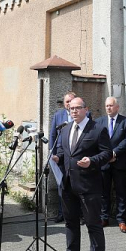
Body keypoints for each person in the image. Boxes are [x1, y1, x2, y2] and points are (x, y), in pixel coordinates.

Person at [51, 97, 112, 251]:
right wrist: (57, 158)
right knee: (70, 223)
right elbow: (65, 153)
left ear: (86, 109)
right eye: (71, 108)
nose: (74, 111)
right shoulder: (66, 129)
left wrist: (92, 161)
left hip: (88, 186)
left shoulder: (98, 129)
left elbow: (107, 154)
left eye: (78, 108)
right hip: (68, 184)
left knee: (93, 226)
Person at [95, 97, 126, 233]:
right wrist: (105, 155)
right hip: (104, 164)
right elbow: (96, 140)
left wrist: (114, 153)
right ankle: (104, 217)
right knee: (104, 192)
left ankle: (121, 220)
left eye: (111, 105)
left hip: (119, 162)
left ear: (117, 107)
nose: (108, 108)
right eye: (106, 106)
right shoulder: (99, 122)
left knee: (121, 192)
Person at [49, 91, 76, 223]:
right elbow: (52, 134)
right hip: (60, 153)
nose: (70, 104)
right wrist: (52, 152)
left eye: (72, 101)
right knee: (62, 184)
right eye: (67, 102)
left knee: (76, 183)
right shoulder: (58, 115)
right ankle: (62, 213)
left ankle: (78, 214)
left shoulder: (83, 114)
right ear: (64, 104)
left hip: (76, 153)